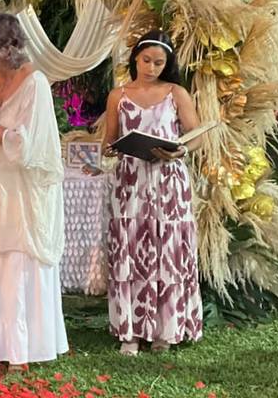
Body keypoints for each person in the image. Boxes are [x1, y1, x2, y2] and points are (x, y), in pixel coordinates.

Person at [0, 13, 68, 373]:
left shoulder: (35, 83)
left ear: (7, 47)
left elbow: (24, 147)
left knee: (16, 270)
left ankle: (19, 351)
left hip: (21, 193)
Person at [101, 30, 204, 355]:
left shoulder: (176, 92)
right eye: (147, 60)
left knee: (167, 252)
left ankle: (166, 330)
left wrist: (180, 151)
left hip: (168, 183)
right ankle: (130, 331)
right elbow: (107, 142)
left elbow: (197, 135)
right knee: (131, 251)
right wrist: (114, 150)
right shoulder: (118, 95)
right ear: (135, 58)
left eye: (160, 62)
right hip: (130, 183)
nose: (152, 67)